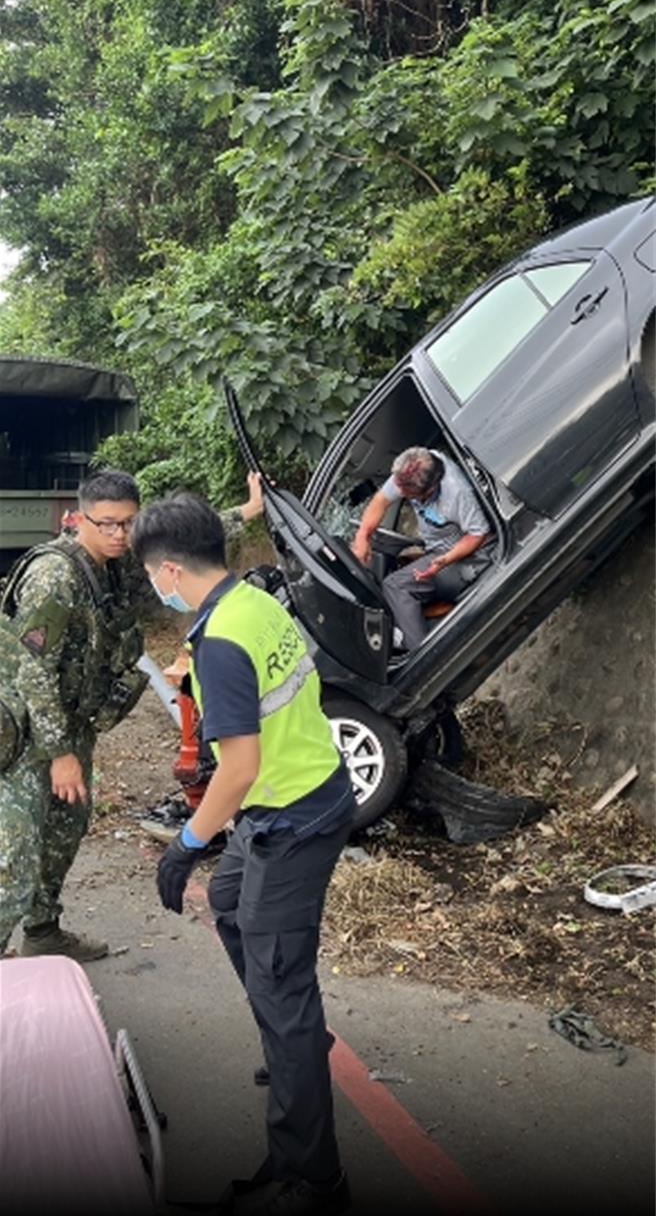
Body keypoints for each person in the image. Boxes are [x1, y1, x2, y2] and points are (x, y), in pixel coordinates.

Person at [131, 493, 355, 1216]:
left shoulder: (223, 640)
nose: (152, 589)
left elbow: (239, 769)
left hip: (291, 815)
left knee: (283, 981)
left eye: (150, 576)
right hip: (293, 800)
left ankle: (311, 1178)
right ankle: (292, 1038)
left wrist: (187, 846)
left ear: (168, 570)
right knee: (230, 906)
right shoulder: (249, 601)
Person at [0, 468, 263, 963]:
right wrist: (60, 755)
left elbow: (183, 542)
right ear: (77, 519)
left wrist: (248, 511)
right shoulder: (55, 578)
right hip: (27, 734)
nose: (119, 535)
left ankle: (42, 932)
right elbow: (32, 674)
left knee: (63, 831)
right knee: (14, 859)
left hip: (71, 723)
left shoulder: (115, 564)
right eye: (107, 524)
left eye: (127, 524)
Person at [351, 445, 492, 650]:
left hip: (464, 556)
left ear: (430, 489)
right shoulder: (410, 469)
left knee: (395, 585)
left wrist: (445, 560)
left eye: (409, 495)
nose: (402, 495)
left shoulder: (457, 493)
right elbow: (380, 501)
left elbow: (478, 534)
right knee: (401, 570)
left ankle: (421, 654)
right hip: (436, 550)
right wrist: (363, 535)